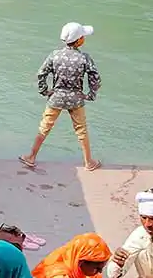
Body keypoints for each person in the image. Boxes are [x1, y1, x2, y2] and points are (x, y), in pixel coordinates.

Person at [20, 21, 102, 171]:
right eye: (83, 36)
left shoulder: (55, 55)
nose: (84, 38)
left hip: (56, 97)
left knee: (44, 127)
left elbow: (41, 74)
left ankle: (31, 157)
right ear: (78, 40)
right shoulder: (84, 58)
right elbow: (95, 79)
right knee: (81, 130)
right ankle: (88, 162)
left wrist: (45, 91)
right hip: (76, 99)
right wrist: (90, 95)